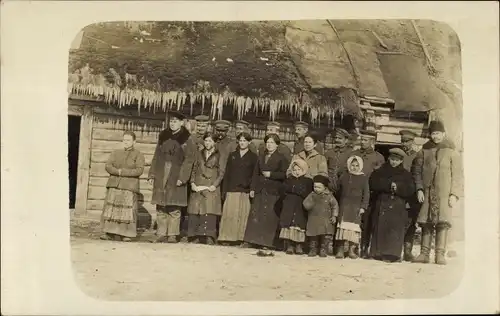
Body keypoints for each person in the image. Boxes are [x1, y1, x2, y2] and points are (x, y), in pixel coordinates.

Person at [412, 120, 463, 265]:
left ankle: (440, 254)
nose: (435, 136)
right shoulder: (424, 151)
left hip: (444, 194)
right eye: (433, 133)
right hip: (427, 192)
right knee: (426, 222)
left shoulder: (452, 152)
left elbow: (458, 175)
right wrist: (419, 189)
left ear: (444, 134)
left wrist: (454, 194)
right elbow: (416, 171)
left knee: (443, 222)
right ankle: (424, 253)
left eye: (438, 133)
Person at [148, 111, 197, 243]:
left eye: (175, 121)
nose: (172, 124)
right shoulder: (163, 135)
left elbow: (189, 160)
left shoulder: (187, 139)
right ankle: (161, 233)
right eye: (171, 121)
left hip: (176, 174)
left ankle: (173, 234)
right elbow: (156, 155)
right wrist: (152, 173)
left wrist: (183, 177)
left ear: (182, 123)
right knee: (161, 205)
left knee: (174, 207)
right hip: (161, 172)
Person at [369, 148, 415, 262]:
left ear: (401, 161)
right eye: (392, 159)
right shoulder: (380, 171)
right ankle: (377, 253)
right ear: (389, 159)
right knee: (381, 228)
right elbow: (373, 183)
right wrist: (388, 185)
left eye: (397, 160)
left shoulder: (406, 174)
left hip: (397, 206)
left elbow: (410, 189)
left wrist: (398, 187)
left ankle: (392, 254)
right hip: (382, 203)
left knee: (394, 230)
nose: (394, 162)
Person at [243, 133, 289, 249]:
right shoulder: (261, 156)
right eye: (267, 142)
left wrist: (271, 174)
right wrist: (252, 188)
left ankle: (267, 243)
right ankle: (250, 240)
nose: (269, 145)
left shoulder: (282, 158)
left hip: (273, 190)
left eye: (272, 143)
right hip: (260, 189)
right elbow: (255, 174)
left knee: (269, 217)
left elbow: (285, 175)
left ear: (277, 145)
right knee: (255, 214)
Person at [100, 132, 145, 242]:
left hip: (129, 186)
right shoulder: (115, 153)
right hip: (114, 184)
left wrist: (122, 172)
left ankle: (127, 234)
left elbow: (139, 170)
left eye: (128, 140)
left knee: (128, 211)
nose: (126, 142)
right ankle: (110, 233)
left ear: (134, 142)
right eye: (124, 140)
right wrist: (117, 172)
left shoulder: (138, 155)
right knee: (111, 209)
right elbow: (108, 166)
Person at [218, 132, 258, 246]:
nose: (242, 143)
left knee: (242, 214)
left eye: (244, 141)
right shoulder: (233, 155)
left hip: (244, 190)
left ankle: (240, 238)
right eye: (240, 141)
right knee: (230, 213)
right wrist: (225, 189)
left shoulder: (253, 157)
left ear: (249, 142)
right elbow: (228, 173)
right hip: (232, 189)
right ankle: (227, 237)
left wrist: (252, 188)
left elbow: (255, 174)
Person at [351, 130, 385, 258]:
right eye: (362, 139)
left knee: (368, 222)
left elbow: (380, 177)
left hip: (370, 194)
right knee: (354, 220)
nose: (362, 142)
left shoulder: (378, 157)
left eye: (366, 140)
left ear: (373, 142)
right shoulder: (354, 154)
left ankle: (364, 248)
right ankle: (352, 247)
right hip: (354, 193)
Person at [187, 132, 225, 245]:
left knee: (209, 210)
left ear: (214, 142)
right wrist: (192, 182)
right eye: (206, 140)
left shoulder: (219, 155)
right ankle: (195, 236)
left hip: (211, 185)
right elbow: (194, 169)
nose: (207, 143)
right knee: (196, 210)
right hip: (198, 184)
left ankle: (209, 236)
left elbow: (221, 172)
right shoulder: (199, 153)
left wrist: (215, 185)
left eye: (210, 141)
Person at [334, 155, 370, 259]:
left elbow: (366, 194)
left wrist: (363, 206)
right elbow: (338, 190)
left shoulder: (363, 178)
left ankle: (351, 250)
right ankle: (340, 250)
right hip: (344, 206)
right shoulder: (344, 176)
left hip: (356, 207)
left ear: (360, 166)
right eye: (352, 165)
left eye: (357, 165)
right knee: (342, 228)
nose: (354, 167)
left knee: (353, 229)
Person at [279, 159, 314, 255]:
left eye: (299, 169)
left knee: (299, 224)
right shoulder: (288, 180)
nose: (296, 172)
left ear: (303, 170)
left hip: (300, 205)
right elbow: (283, 191)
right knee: (290, 223)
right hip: (289, 204)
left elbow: (308, 193)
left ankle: (299, 245)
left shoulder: (308, 181)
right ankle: (290, 245)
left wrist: (297, 191)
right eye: (294, 170)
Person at [399, 129, 422, 261]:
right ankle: (396, 250)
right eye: (402, 141)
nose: (404, 144)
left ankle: (407, 251)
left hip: (412, 195)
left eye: (407, 141)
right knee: (398, 223)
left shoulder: (418, 156)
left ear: (413, 142)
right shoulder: (398, 156)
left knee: (411, 223)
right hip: (400, 194)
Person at [303, 174, 339, 258]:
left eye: (319, 187)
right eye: (315, 187)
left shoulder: (329, 196)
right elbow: (305, 204)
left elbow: (335, 205)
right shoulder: (312, 195)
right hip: (314, 219)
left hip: (325, 220)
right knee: (313, 235)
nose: (316, 189)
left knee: (325, 236)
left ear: (325, 187)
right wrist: (311, 203)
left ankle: (323, 249)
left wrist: (334, 216)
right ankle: (313, 249)